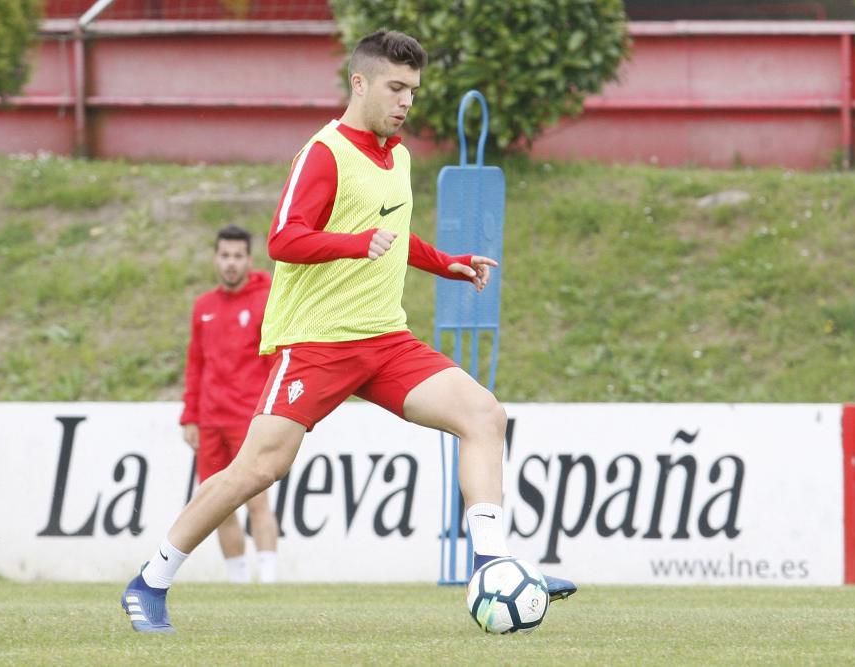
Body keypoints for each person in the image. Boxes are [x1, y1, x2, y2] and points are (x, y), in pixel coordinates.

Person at [121, 29, 576, 633]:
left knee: (484, 415)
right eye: (394, 87)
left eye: (412, 90)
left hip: (386, 342)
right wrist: (354, 244)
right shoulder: (324, 152)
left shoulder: (400, 156)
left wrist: (448, 263)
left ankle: (494, 565)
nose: (405, 101)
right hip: (318, 343)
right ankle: (149, 582)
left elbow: (392, 236)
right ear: (359, 83)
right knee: (257, 470)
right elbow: (285, 237)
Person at [179, 224, 279, 584]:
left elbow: (274, 361)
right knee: (219, 507)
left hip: (250, 420)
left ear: (249, 260)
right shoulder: (203, 307)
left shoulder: (265, 299)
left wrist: (274, 413)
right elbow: (196, 364)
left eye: (238, 256)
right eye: (225, 256)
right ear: (215, 259)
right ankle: (238, 583)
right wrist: (190, 416)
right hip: (210, 421)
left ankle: (268, 581)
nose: (231, 263)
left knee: (257, 502)